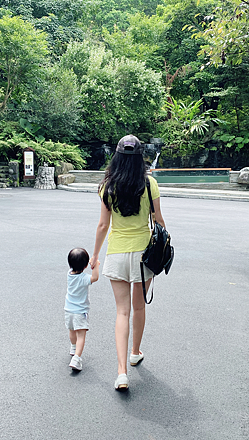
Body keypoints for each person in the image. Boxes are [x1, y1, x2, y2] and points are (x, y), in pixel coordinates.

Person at [89, 135, 166, 391]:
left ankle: (121, 372)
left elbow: (103, 225)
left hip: (118, 253)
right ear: (140, 156)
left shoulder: (107, 186)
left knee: (121, 312)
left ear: (118, 156)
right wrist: (165, 242)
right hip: (144, 253)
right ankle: (135, 352)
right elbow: (158, 220)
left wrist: (95, 254)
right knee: (139, 308)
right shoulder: (149, 183)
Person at [65, 247, 100, 371]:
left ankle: (73, 347)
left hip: (68, 310)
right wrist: (96, 265)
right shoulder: (84, 278)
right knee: (81, 335)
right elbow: (95, 278)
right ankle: (77, 358)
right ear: (85, 266)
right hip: (80, 312)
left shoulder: (69, 275)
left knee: (72, 330)